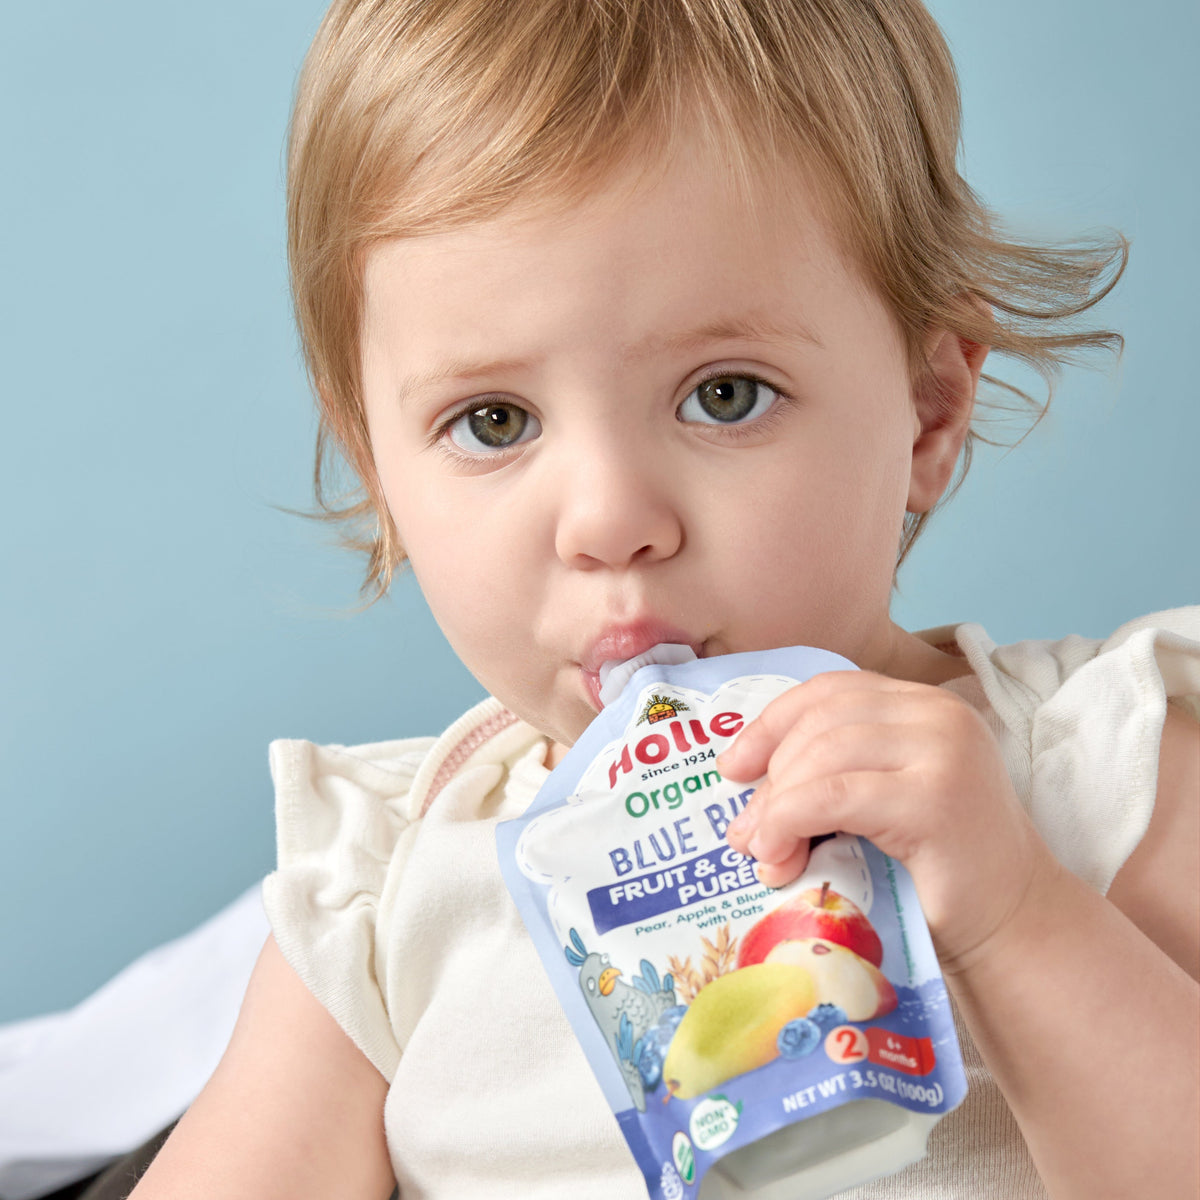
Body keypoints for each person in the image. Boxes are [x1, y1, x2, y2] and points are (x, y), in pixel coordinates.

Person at [124, 0, 1199, 1197]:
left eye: (725, 395)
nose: (609, 520)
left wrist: (1019, 918)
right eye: (494, 422)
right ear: (380, 470)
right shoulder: (389, 890)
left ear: (928, 411)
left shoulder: (1100, 769)